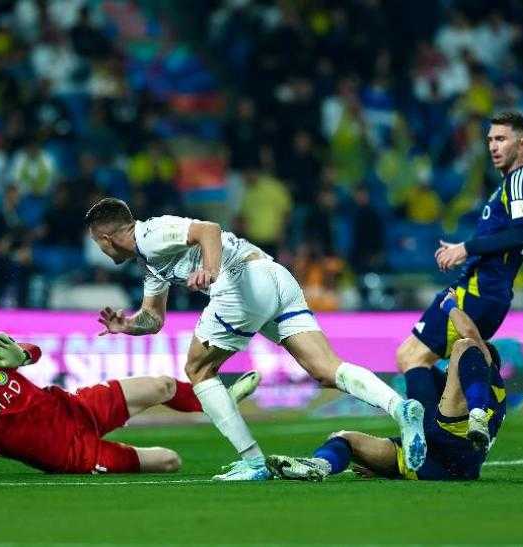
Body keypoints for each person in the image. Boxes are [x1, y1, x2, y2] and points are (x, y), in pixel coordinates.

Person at [86, 198, 426, 481]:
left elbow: (208, 230)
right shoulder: (150, 262)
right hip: (275, 278)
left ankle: (253, 462)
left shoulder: (150, 234)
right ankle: (400, 408)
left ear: (105, 237)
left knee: (198, 369)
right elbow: (154, 318)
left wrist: (211, 270)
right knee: (325, 369)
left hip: (240, 282)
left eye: (96, 243)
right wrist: (126, 325)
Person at [0, 318, 258, 474]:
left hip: (76, 407)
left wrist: (21, 356)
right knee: (170, 460)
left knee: (163, 385)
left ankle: (219, 400)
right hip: (72, 454)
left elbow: (33, 351)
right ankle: (217, 407)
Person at [266, 288, 506, 481]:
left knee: (464, 345)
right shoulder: (489, 397)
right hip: (429, 461)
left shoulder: (486, 373)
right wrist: (384, 469)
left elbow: (470, 336)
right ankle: (318, 465)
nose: (448, 368)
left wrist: (450, 306)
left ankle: (476, 415)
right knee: (345, 438)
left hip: (454, 440)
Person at [396, 112, 523, 419]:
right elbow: (521, 243)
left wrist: (466, 248)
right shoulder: (520, 186)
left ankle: (434, 432)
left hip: (478, 292)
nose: (493, 146)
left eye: (501, 139)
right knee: (417, 359)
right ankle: (463, 415)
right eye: (490, 140)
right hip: (486, 291)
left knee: (412, 357)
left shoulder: (518, 182)